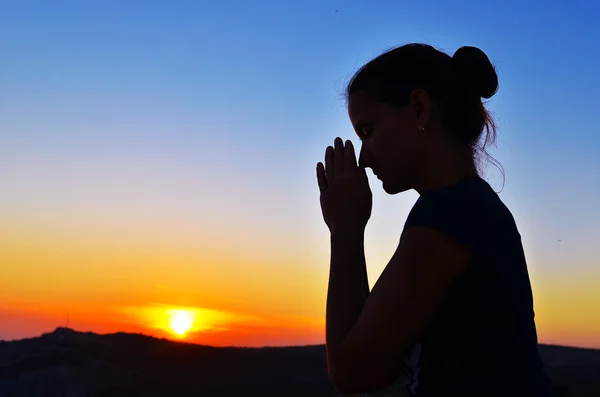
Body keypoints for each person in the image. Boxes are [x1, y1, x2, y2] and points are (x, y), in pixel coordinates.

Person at [316, 43, 555, 397]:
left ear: (418, 109)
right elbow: (376, 365)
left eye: (367, 130)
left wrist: (345, 231)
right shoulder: (471, 210)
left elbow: (351, 373)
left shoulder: (450, 215)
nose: (363, 157)